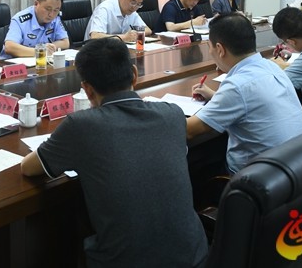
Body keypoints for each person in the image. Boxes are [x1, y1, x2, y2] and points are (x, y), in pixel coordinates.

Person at [20, 39, 208, 268]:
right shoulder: (173, 114)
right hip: (194, 258)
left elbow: (28, 168)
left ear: (87, 89)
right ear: (135, 75)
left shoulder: (81, 126)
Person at [187, 14, 302, 175]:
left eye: (210, 47)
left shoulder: (237, 86)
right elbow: (249, 101)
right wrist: (216, 96)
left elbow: (189, 130)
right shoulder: (272, 67)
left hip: (253, 180)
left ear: (220, 49)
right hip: (292, 172)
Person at [1, 0, 70, 59]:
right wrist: (40, 51)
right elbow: (9, 47)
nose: (51, 14)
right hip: (14, 64)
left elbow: (65, 42)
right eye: (48, 9)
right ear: (36, 4)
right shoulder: (20, 20)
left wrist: (47, 48)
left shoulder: (55, 18)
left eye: (56, 10)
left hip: (42, 62)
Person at [84, 0, 152, 41]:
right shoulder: (104, 9)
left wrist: (133, 35)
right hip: (96, 49)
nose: (135, 7)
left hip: (118, 48)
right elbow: (95, 36)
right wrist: (124, 37)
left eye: (139, 4)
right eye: (133, 2)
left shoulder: (132, 11)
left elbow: (148, 30)